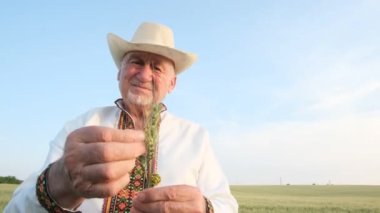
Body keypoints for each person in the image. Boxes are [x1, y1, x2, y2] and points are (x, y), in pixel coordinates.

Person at [5, 22, 238, 213]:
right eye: (136, 62)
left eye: (157, 68)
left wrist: (205, 209)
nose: (144, 75)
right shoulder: (82, 125)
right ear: (120, 72)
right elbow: (15, 208)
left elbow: (226, 206)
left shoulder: (195, 136)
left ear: (172, 83)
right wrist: (60, 182)